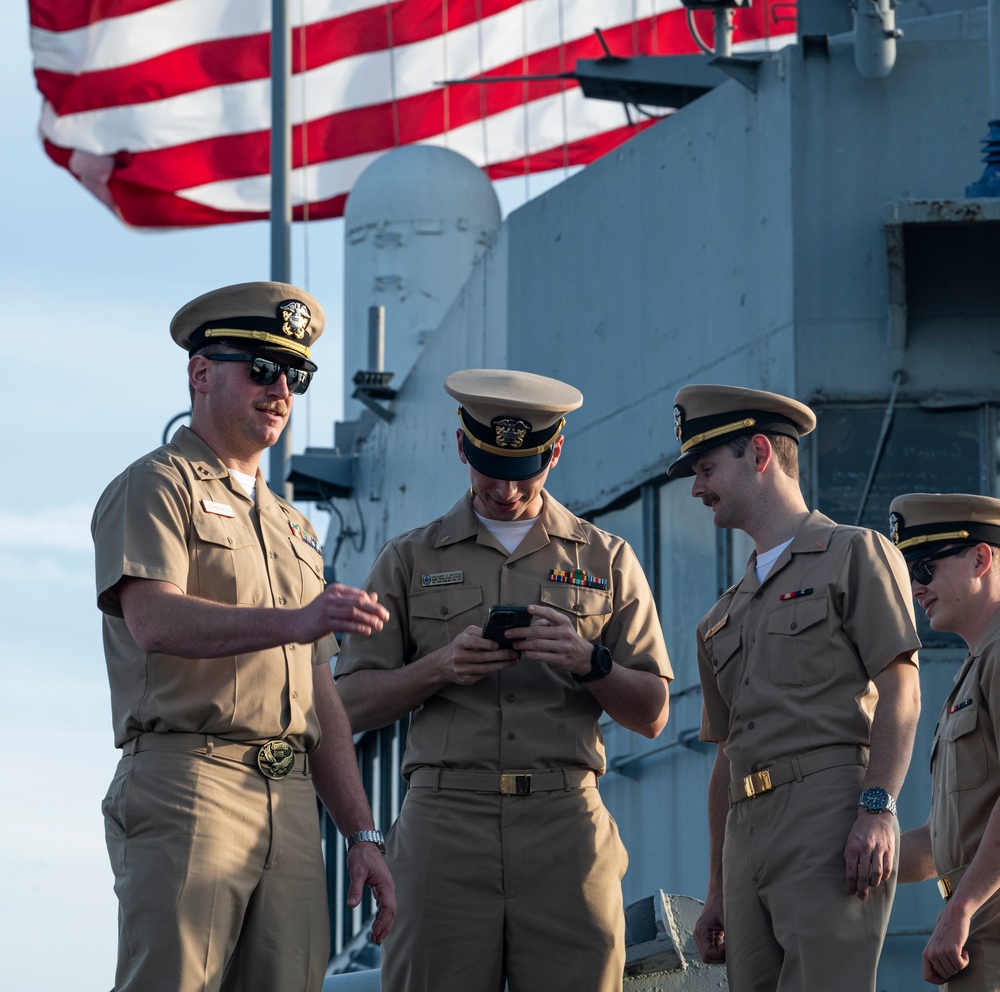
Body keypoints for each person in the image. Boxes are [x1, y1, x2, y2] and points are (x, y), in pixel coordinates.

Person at [91, 282, 396, 992]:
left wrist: (362, 833)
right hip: (189, 779)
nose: (281, 387)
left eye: (296, 374)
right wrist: (297, 620)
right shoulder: (156, 486)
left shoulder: (295, 528)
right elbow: (154, 619)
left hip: (289, 800)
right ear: (200, 374)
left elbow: (321, 697)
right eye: (260, 367)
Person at [334, 367, 672, 992]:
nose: (506, 489)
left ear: (556, 452)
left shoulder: (607, 559)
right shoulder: (408, 559)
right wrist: (440, 666)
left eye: (525, 471)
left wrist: (586, 660)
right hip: (444, 822)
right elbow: (346, 704)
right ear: (462, 446)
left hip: (565, 822)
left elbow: (653, 712)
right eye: (490, 466)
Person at [677, 384, 921, 992]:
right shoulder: (718, 619)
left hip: (827, 814)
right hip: (745, 833)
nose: (697, 488)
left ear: (759, 452)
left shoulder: (854, 555)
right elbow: (725, 755)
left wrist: (878, 807)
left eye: (707, 468)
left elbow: (902, 690)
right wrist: (715, 888)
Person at [892, 493, 1000, 989]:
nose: (916, 587)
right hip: (974, 929)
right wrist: (839, 855)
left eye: (925, 566)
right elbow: (939, 843)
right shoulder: (973, 670)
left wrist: (961, 905)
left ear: (981, 558)